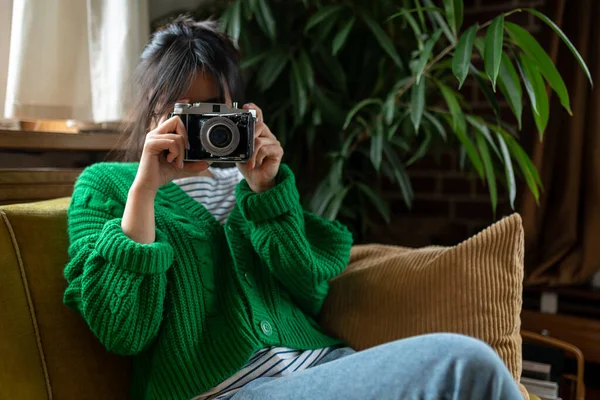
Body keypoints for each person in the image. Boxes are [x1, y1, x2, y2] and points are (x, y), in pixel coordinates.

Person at [63, 16, 523, 400]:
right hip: (227, 390)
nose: (204, 127)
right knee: (468, 364)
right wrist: (145, 191)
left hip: (323, 367)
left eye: (215, 111)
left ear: (238, 112)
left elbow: (311, 292)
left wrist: (268, 194)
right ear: (152, 113)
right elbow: (123, 329)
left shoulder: (252, 185)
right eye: (189, 113)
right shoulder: (109, 187)